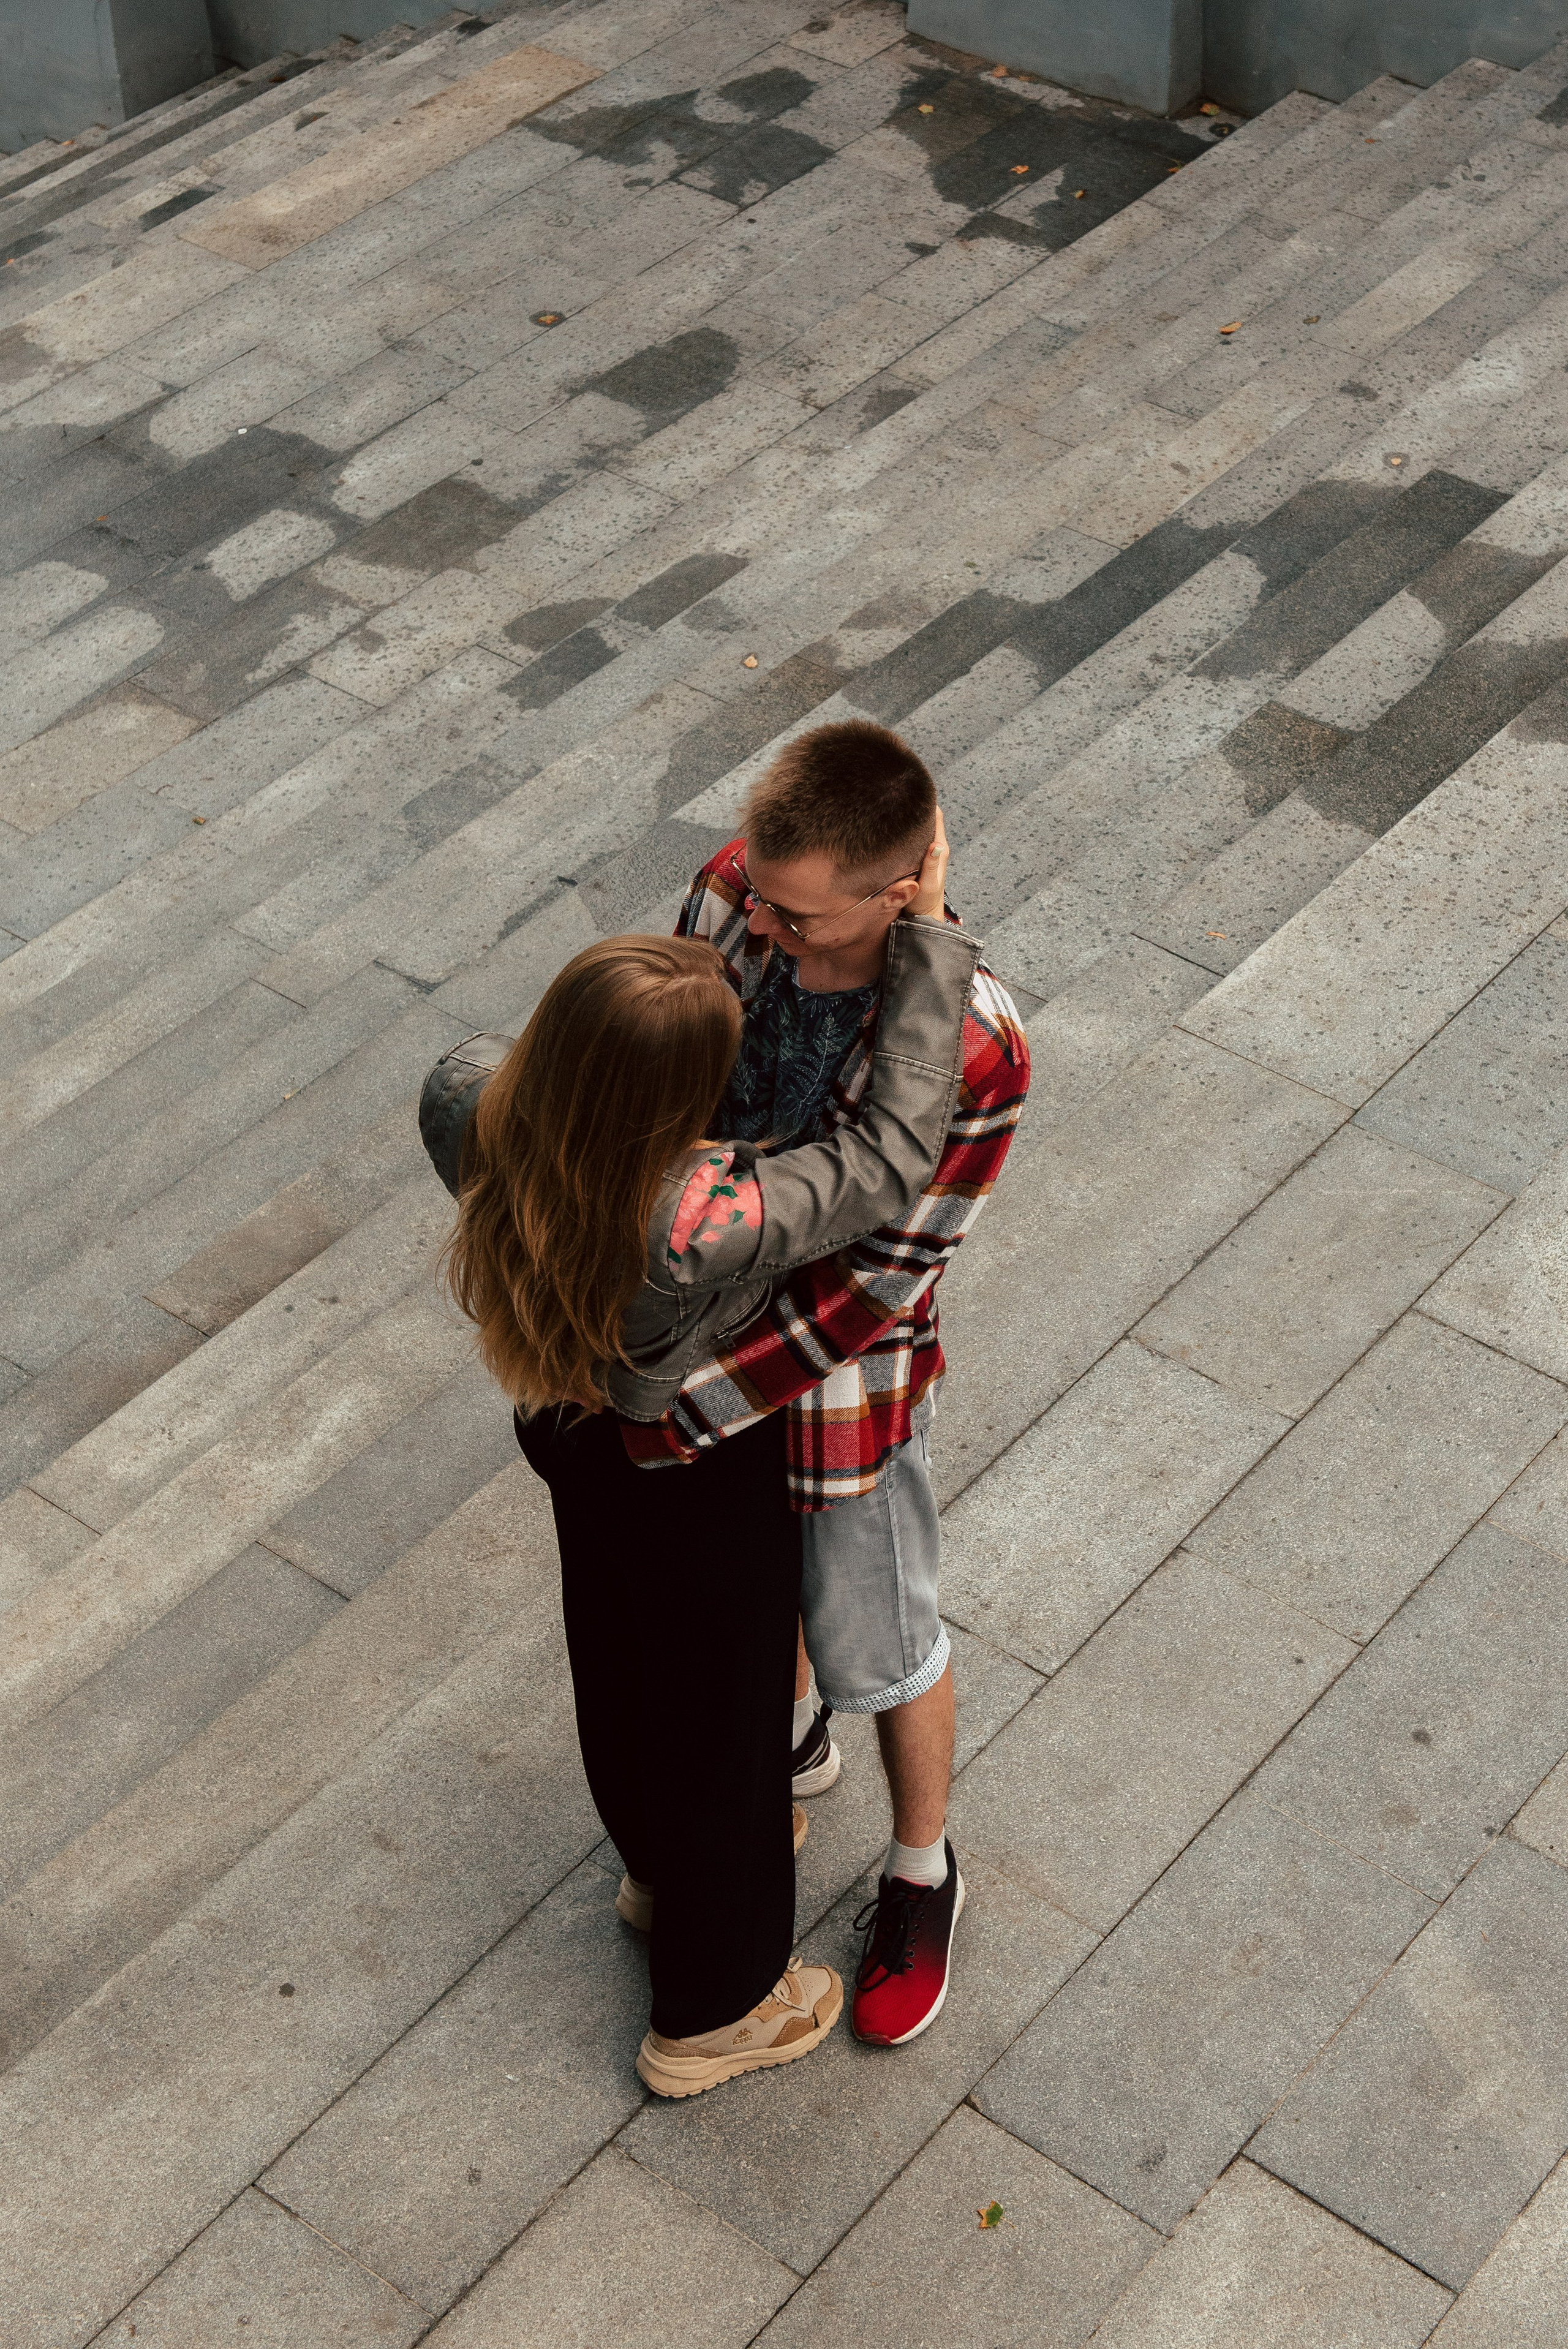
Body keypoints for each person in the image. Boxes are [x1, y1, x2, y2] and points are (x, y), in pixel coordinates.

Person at [432, 824, 978, 2098]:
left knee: (623, 1675)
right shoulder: (696, 1218)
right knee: (731, 1731)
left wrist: (754, 874)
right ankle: (716, 2006)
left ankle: (653, 1872)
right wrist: (929, 942)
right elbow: (887, 1159)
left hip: (563, 1422)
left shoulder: (471, 1096)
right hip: (685, 1455)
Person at [624, 719, 1030, 2049]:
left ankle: (922, 1870)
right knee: (745, 1599)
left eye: (798, 915)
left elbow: (882, 1283)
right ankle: (787, 1749)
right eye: (759, 895)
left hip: (835, 1374)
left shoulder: (975, 1046)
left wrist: (694, 1406)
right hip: (707, 1326)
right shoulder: (729, 892)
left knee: (883, 1631)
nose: (765, 924)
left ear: (900, 889)